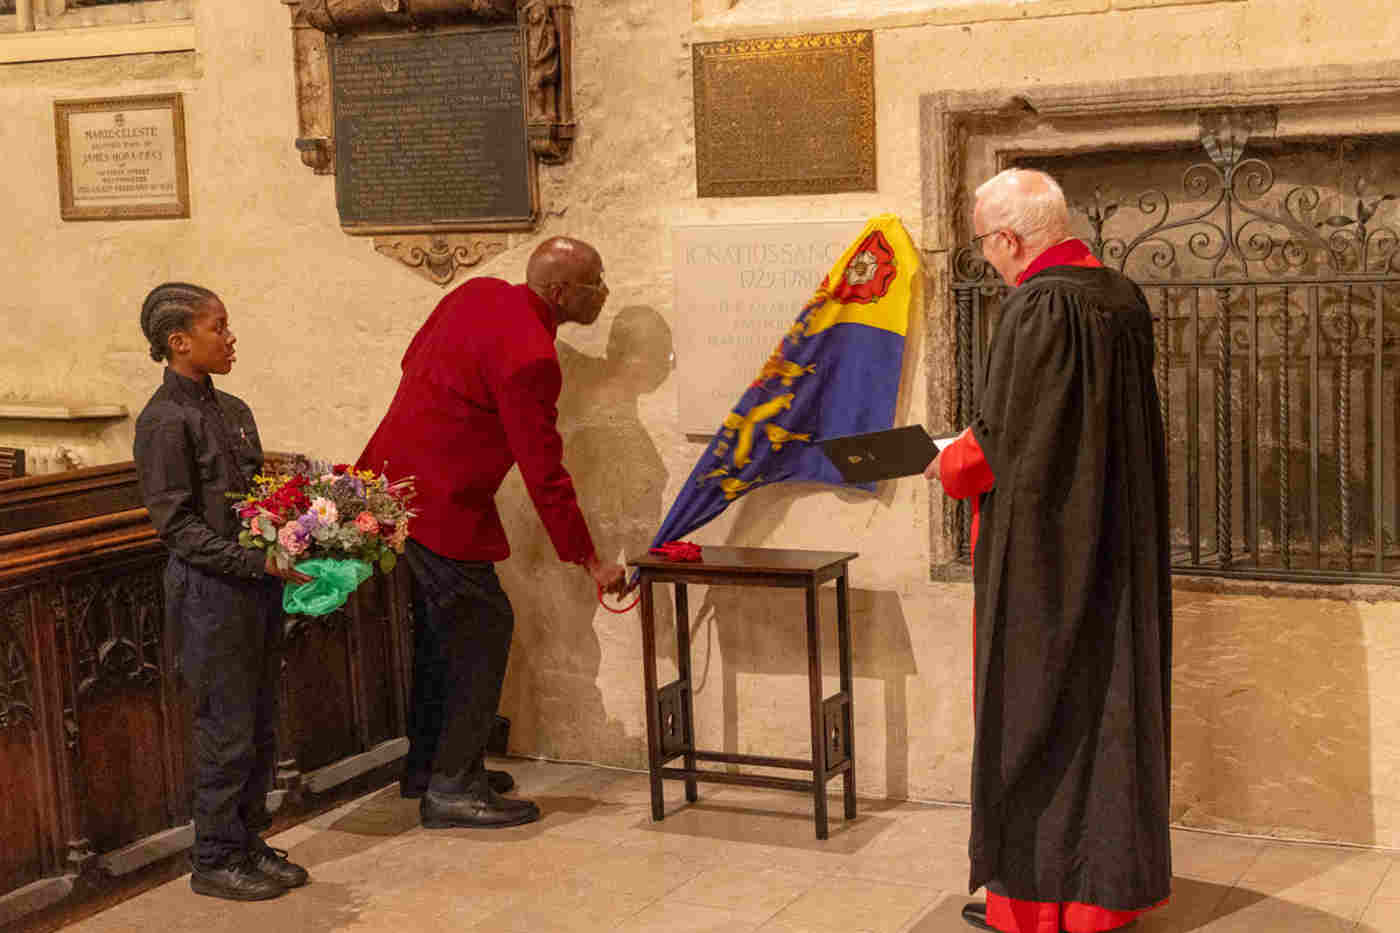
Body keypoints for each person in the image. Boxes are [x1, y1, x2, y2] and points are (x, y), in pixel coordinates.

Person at [927, 169, 1172, 933]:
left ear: (1009, 238)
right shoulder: (1121, 296)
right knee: (1110, 705)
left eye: (983, 243)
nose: (987, 260)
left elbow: (1008, 440)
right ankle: (1106, 898)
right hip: (1116, 544)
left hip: (1048, 552)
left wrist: (948, 462)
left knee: (1036, 704)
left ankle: (1033, 906)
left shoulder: (1038, 305)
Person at [357, 236, 628, 829]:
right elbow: (543, 469)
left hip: (389, 488)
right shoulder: (532, 354)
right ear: (560, 293)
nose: (604, 292)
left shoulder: (474, 294)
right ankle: (453, 786)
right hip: (441, 506)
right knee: (483, 629)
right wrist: (588, 560)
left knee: (439, 633)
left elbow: (411, 359)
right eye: (596, 283)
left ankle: (432, 765)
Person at [133, 283, 313, 901]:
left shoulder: (232, 408)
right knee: (226, 731)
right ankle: (213, 857)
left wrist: (298, 527)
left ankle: (247, 842)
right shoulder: (164, 421)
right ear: (179, 342)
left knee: (261, 726)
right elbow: (176, 527)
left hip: (254, 589)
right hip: (210, 596)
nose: (230, 337)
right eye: (218, 326)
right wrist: (252, 561)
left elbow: (256, 500)